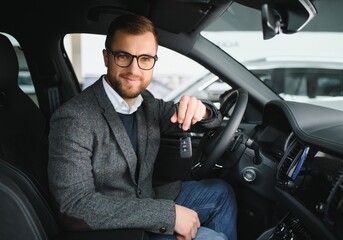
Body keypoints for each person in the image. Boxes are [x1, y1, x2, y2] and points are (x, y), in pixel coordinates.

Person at [48, 14, 237, 240]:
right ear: (107, 57)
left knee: (221, 193)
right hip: (116, 231)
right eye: (123, 56)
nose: (134, 70)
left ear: (153, 61)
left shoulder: (146, 104)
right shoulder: (74, 118)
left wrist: (202, 110)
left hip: (148, 199)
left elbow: (210, 121)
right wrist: (167, 215)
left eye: (145, 59)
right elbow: (74, 206)